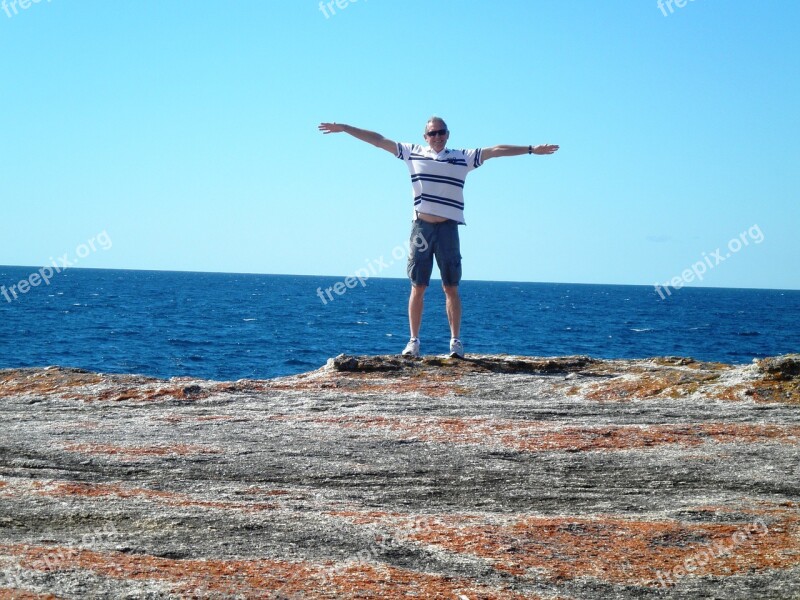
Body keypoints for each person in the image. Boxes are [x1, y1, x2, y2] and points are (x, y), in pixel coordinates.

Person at [318, 116, 559, 358]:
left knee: (451, 286)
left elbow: (495, 151)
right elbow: (379, 141)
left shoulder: (463, 157)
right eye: (432, 133)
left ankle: (455, 342)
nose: (437, 137)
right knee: (418, 286)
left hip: (448, 229)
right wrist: (345, 128)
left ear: (448, 134)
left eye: (441, 132)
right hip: (422, 228)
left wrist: (531, 150)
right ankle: (413, 342)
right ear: (425, 137)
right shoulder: (412, 153)